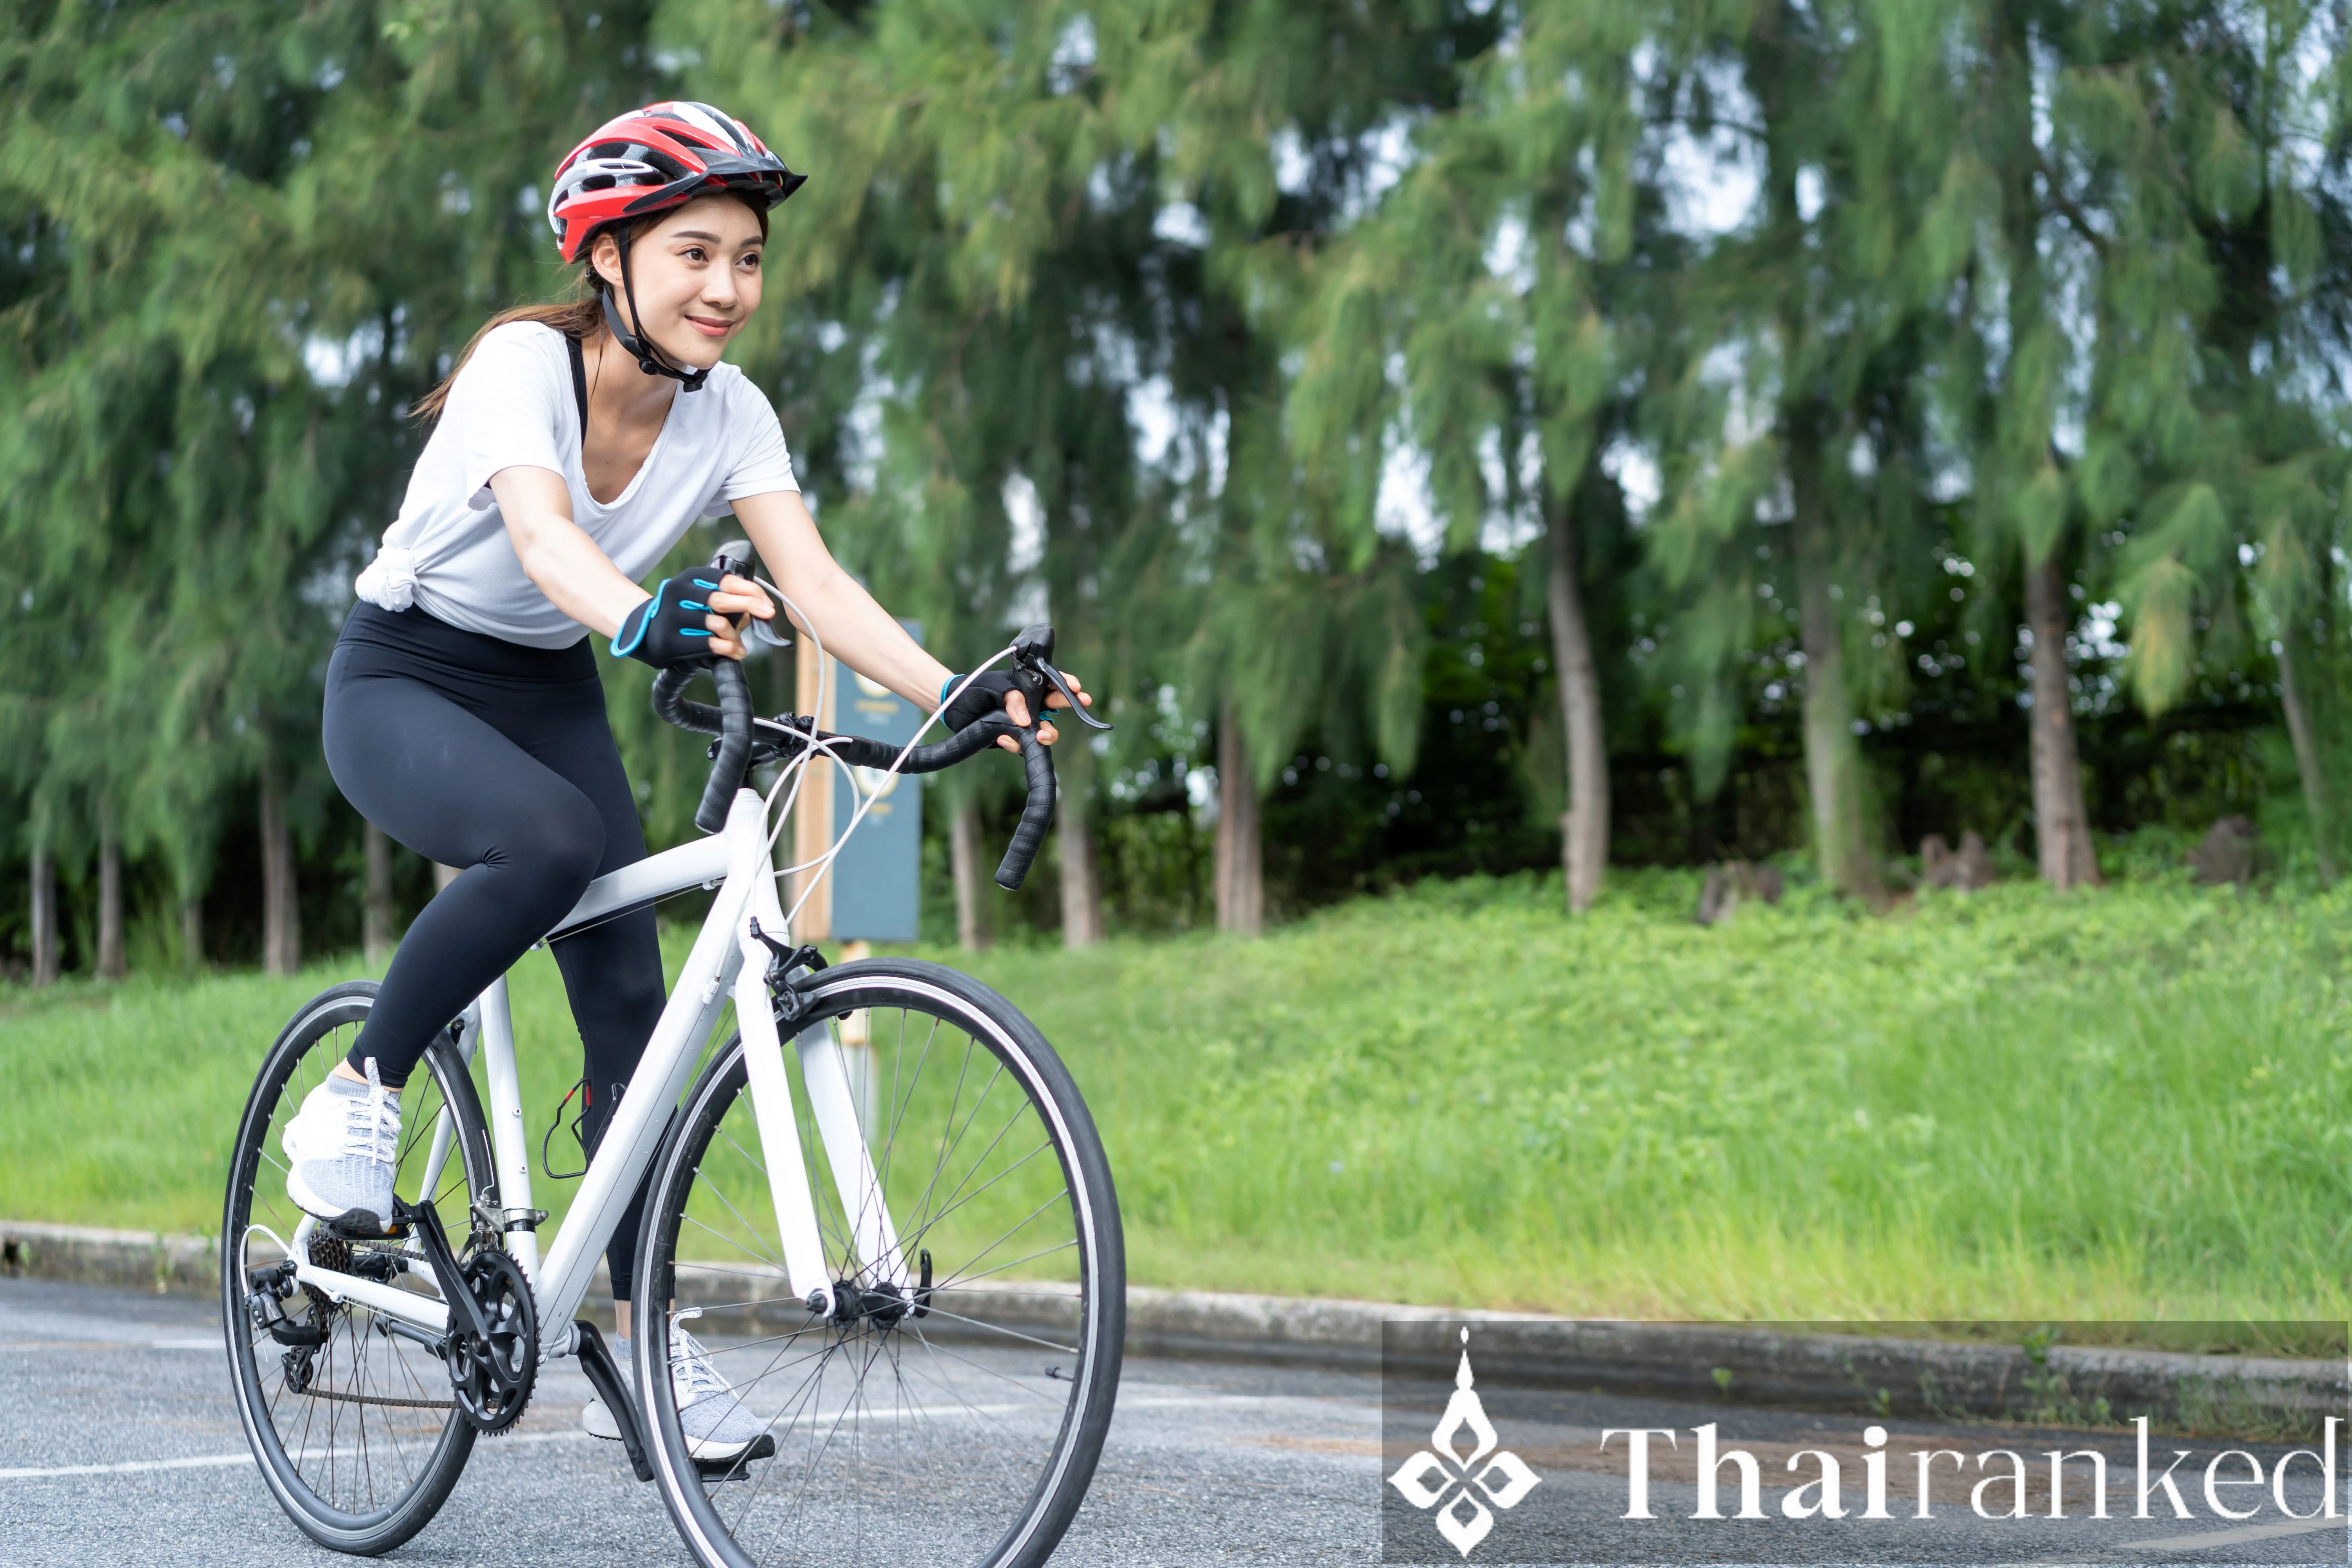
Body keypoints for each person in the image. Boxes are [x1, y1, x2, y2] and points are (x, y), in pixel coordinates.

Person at [276, 101, 1085, 1456]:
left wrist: (958, 688)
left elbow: (815, 581)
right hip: (405, 676)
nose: (728, 287)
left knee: (633, 1016)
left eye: (750, 258)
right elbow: (543, 538)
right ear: (610, 257)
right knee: (550, 841)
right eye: (695, 253)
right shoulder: (524, 365)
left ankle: (645, 1339)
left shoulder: (733, 415)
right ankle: (360, 1089)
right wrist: (648, 614)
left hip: (544, 685)